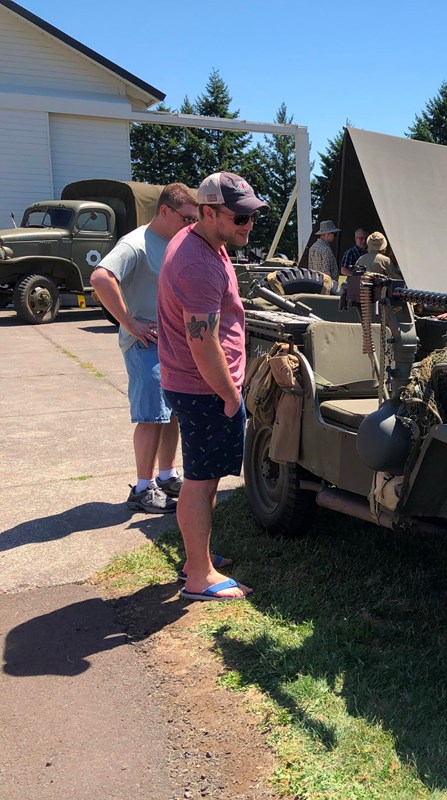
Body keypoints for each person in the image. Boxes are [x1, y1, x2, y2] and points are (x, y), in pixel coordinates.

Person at [158, 171, 267, 602]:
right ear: (207, 213)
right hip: (204, 388)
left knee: (205, 479)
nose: (247, 225)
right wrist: (230, 394)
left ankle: (195, 557)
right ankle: (199, 576)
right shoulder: (198, 263)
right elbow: (202, 344)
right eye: (238, 217)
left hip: (198, 385)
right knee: (200, 482)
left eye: (251, 217)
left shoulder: (200, 241)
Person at [91, 182, 199, 514]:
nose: (191, 226)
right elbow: (100, 278)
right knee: (152, 417)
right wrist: (130, 324)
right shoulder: (135, 244)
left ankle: (167, 475)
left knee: (171, 414)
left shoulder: (172, 242)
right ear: (165, 211)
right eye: (186, 218)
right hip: (145, 344)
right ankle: (142, 487)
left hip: (168, 342)